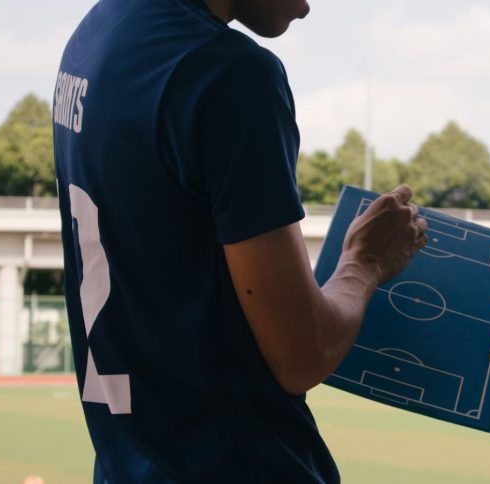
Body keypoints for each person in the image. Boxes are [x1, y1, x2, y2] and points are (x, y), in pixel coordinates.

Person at [52, 0, 427, 481]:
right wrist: (365, 262)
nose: (307, 8)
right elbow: (301, 356)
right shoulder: (229, 73)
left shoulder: (93, 35)